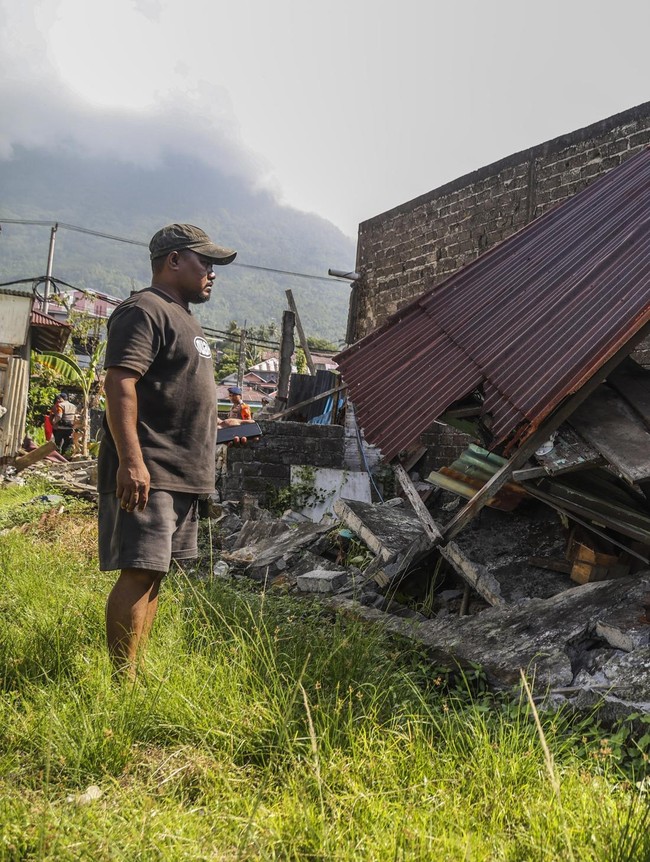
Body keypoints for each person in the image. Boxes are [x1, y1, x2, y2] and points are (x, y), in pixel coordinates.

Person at [98, 223, 245, 677]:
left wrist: (213, 426)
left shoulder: (185, 317)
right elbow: (120, 382)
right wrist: (132, 462)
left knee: (156, 573)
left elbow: (175, 394)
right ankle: (122, 683)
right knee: (139, 570)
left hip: (181, 474)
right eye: (207, 262)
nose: (213, 272)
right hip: (152, 470)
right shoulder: (144, 310)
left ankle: (135, 671)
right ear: (174, 260)